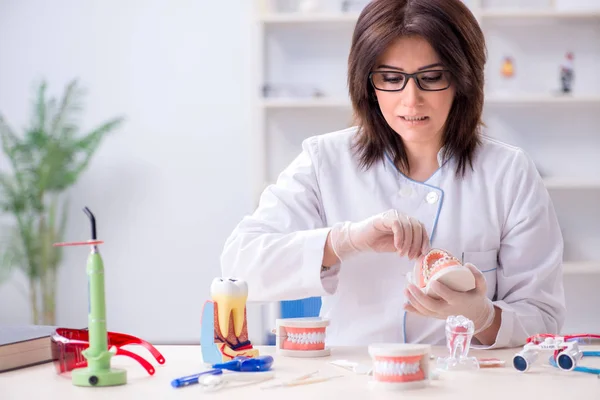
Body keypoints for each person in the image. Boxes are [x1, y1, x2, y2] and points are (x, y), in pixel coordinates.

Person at [220, 0, 566, 348]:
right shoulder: (324, 161)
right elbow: (239, 266)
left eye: (431, 78)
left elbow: (543, 319)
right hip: (351, 379)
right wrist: (344, 241)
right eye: (391, 78)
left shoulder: (508, 173)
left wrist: (484, 317)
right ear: (367, 84)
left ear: (464, 79)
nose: (411, 99)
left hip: (466, 382)